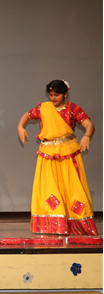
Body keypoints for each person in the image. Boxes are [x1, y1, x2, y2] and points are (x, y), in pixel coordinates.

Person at [17, 80, 97, 235]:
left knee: (72, 187)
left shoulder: (73, 108)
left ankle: (76, 222)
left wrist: (87, 136)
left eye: (57, 95)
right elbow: (26, 116)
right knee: (49, 186)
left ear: (65, 93)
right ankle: (53, 224)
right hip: (47, 153)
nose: (53, 98)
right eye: (51, 95)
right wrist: (20, 126)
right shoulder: (44, 108)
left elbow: (89, 125)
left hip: (68, 152)